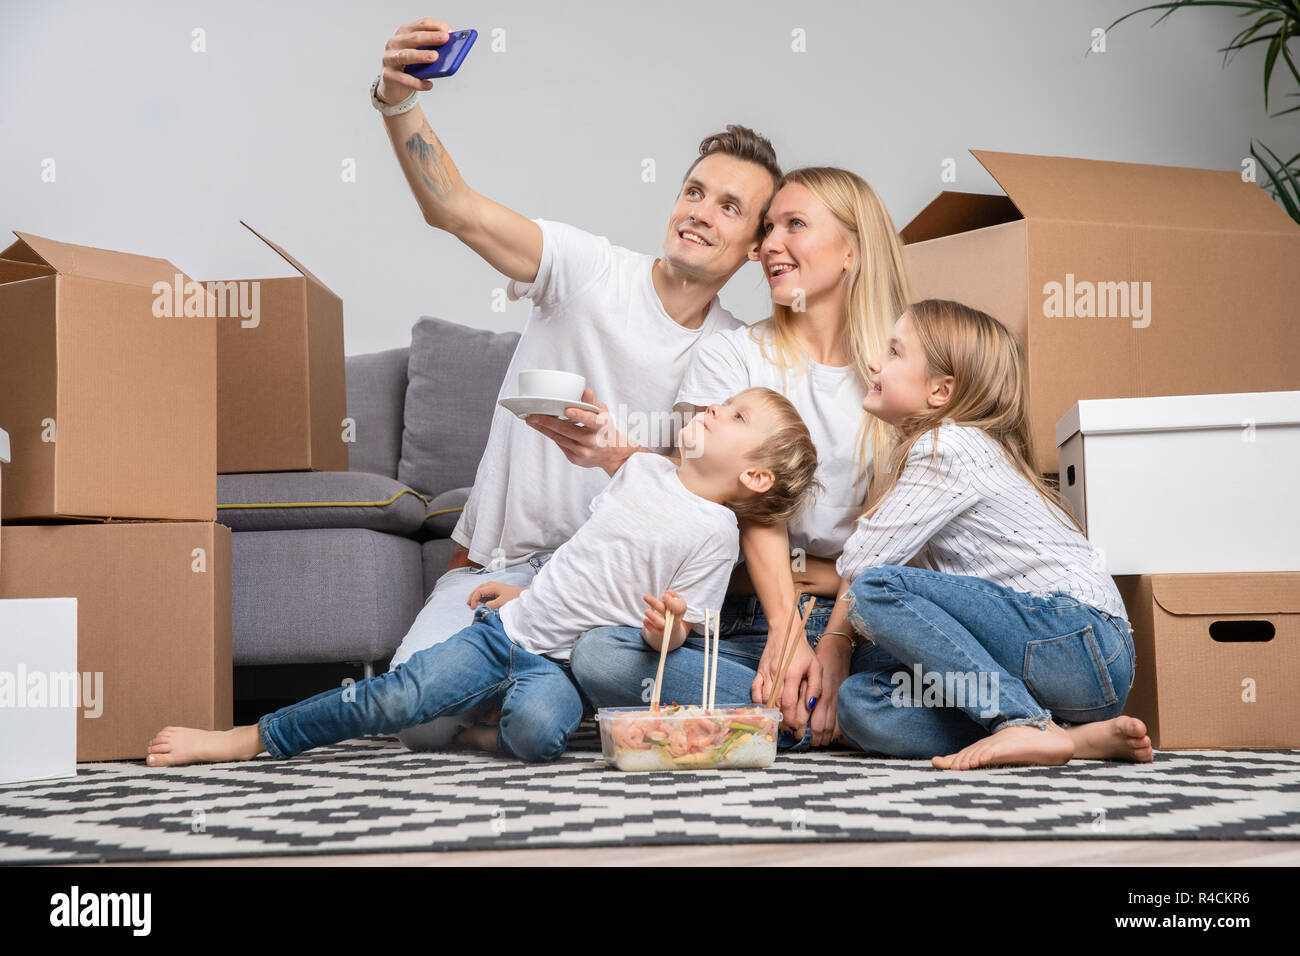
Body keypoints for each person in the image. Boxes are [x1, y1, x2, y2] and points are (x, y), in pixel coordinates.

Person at [368, 18, 784, 749]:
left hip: (613, 598)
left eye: (729, 207)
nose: (698, 212)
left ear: (754, 247)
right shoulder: (587, 268)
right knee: (417, 722)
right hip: (505, 568)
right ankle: (536, 686)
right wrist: (399, 101)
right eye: (694, 191)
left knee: (539, 701)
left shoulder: (731, 358)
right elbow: (453, 208)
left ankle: (545, 688)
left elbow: (726, 498)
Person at [145, 388, 820, 766]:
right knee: (397, 699)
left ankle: (484, 730)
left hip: (565, 671)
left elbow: (684, 633)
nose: (712, 407)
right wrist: (528, 591)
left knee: (537, 737)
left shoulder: (715, 534)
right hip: (510, 633)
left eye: (734, 416)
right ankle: (251, 736)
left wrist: (665, 628)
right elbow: (587, 557)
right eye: (724, 401)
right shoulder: (642, 470)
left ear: (753, 477)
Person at [567, 167, 910, 745]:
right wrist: (786, 627)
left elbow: (887, 538)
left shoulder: (894, 375)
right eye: (769, 227)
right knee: (601, 655)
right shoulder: (731, 355)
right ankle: (804, 716)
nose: (769, 245)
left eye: (794, 225)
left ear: (852, 249)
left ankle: (776, 717)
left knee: (904, 689)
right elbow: (735, 505)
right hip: (738, 618)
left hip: (858, 619)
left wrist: (835, 642)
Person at [811, 299, 1153, 769]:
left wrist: (814, 575)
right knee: (861, 701)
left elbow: (863, 564)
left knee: (875, 591)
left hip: (1072, 633)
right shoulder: (959, 449)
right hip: (1078, 671)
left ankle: (1022, 722)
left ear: (940, 391)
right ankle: (1068, 736)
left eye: (893, 352)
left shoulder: (947, 444)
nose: (874, 362)